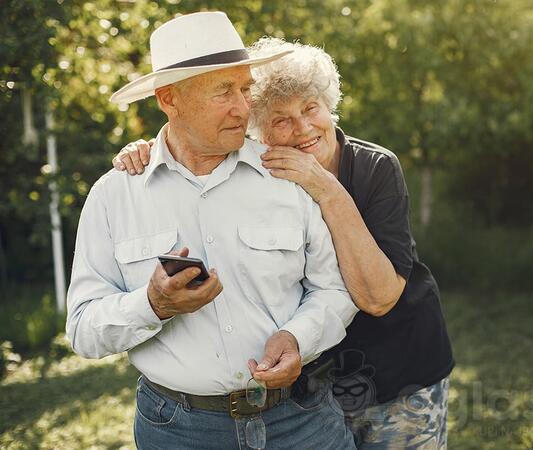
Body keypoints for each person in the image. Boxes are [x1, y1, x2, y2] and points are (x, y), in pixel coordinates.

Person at [115, 36, 455, 449]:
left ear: (328, 105)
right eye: (280, 119)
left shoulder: (374, 168)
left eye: (311, 108)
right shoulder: (263, 174)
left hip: (398, 374)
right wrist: (153, 150)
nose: (303, 128)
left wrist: (326, 188)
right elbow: (196, 144)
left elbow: (380, 298)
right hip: (309, 392)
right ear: (257, 130)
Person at [67, 12, 359, 450]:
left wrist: (298, 337)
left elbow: (335, 289)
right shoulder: (114, 196)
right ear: (170, 99)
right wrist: (152, 304)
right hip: (178, 431)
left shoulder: (286, 175)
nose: (243, 106)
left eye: (245, 88)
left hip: (302, 420)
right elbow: (83, 329)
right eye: (223, 90)